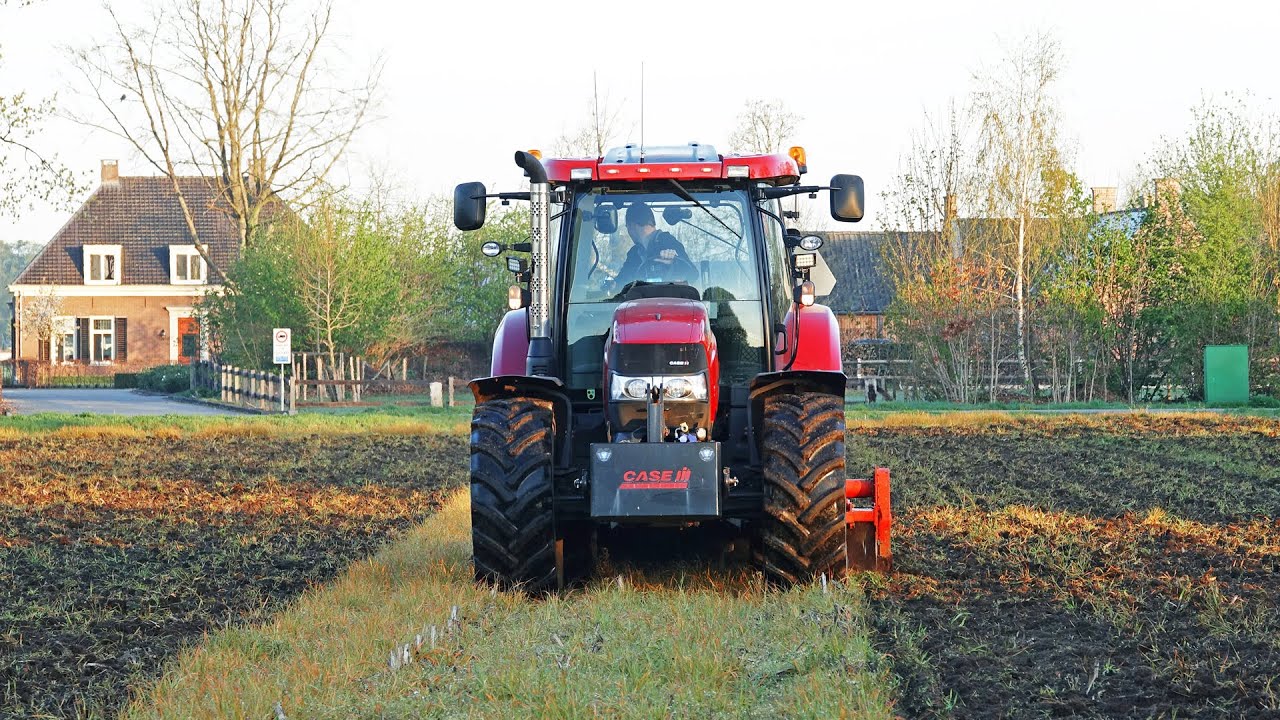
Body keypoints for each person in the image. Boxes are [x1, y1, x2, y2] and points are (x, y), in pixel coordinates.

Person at [611, 203, 693, 287]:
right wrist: (612, 285)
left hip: (669, 298)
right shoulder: (634, 253)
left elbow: (692, 274)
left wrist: (674, 262)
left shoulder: (668, 242)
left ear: (631, 225)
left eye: (627, 227)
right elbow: (621, 283)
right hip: (639, 298)